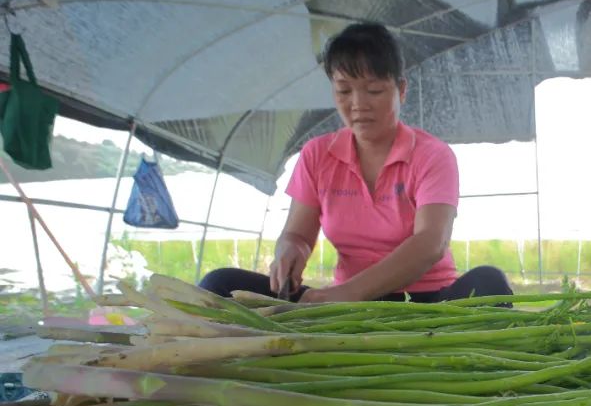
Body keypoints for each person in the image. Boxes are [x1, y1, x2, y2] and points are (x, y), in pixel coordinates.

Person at [199, 22, 512, 304]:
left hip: (426, 301)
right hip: (346, 305)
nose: (358, 104)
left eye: (374, 90)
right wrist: (289, 251)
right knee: (219, 284)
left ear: (401, 90)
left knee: (489, 283)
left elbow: (431, 242)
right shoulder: (317, 154)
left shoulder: (432, 155)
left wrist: (346, 294)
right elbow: (298, 235)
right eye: (344, 90)